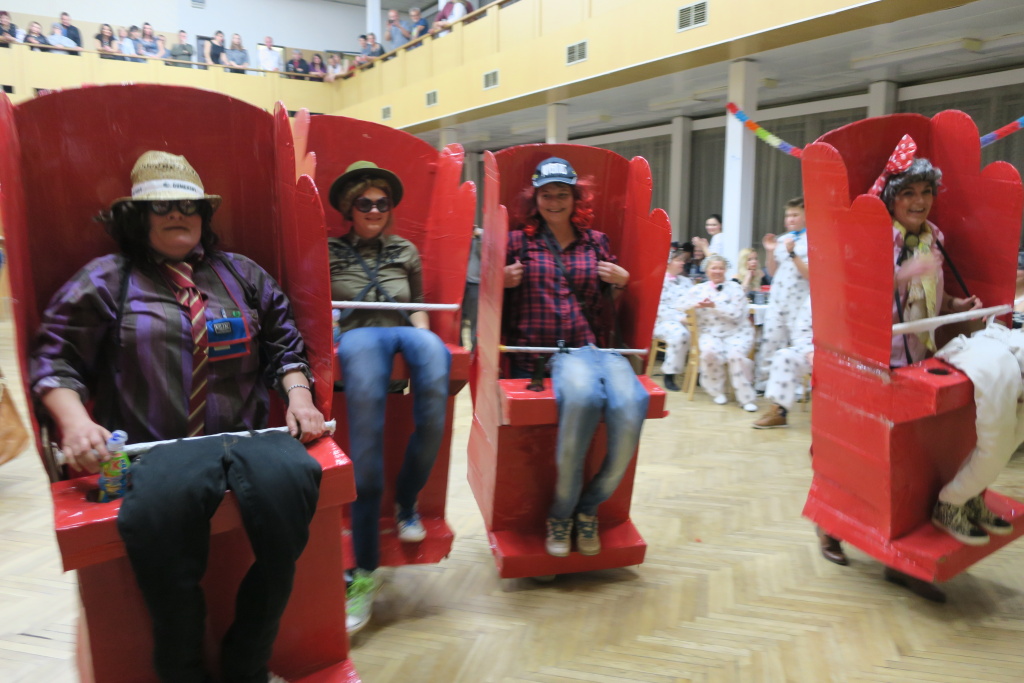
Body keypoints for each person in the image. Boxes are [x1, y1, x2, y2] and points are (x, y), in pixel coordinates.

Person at [30, 150, 327, 682]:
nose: (176, 214)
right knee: (158, 527)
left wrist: (300, 398)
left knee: (295, 487)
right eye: (160, 205)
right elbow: (56, 358)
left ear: (203, 215)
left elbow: (286, 345)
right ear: (138, 218)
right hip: (157, 447)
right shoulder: (107, 279)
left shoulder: (242, 275)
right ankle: (182, 672)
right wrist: (73, 420)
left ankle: (247, 666)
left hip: (248, 435)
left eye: (188, 205)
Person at [327, 161, 451, 634]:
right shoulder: (331, 251)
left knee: (434, 387)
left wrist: (427, 342)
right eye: (365, 203)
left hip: (403, 330)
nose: (375, 210)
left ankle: (406, 502)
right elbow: (320, 307)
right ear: (350, 208)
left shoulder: (405, 250)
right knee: (367, 444)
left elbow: (416, 305)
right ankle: (364, 569)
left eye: (382, 203)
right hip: (357, 336)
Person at [502, 157, 648, 559]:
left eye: (562, 194)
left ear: (575, 198)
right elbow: (487, 301)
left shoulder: (596, 241)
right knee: (583, 398)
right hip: (544, 352)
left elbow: (608, 302)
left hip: (593, 347)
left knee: (633, 402)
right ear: (535, 199)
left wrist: (622, 282)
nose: (554, 201)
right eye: (546, 194)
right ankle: (561, 514)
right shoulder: (517, 243)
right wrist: (501, 280)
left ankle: (589, 506)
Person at [683, 255, 758, 411]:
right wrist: (693, 306)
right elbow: (680, 307)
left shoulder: (735, 288)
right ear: (707, 270)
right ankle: (716, 390)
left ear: (725, 270)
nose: (717, 271)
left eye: (721, 268)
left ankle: (746, 398)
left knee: (736, 356)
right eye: (714, 268)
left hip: (737, 332)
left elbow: (736, 314)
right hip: (710, 333)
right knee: (709, 352)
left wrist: (715, 305)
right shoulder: (698, 290)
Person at [755, 197, 810, 390]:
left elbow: (810, 274)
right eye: (788, 215)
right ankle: (763, 382)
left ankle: (798, 387)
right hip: (778, 299)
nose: (790, 219)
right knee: (770, 340)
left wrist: (793, 253)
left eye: (795, 215)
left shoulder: (813, 240)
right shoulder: (781, 239)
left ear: (806, 216)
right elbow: (772, 272)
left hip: (800, 302)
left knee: (798, 343)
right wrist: (770, 251)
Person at [752, 294, 811, 429]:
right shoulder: (815, 297)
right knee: (784, 356)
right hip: (815, 350)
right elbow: (802, 330)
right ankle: (779, 411)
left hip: (849, 356)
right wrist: (809, 352)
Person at [653, 250, 693, 391]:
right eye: (678, 260)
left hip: (687, 320)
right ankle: (670, 374)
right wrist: (679, 318)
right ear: (668, 263)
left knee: (704, 332)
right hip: (663, 321)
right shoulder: (658, 281)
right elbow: (658, 308)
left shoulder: (687, 282)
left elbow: (693, 301)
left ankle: (699, 374)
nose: (682, 263)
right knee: (680, 334)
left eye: (683, 260)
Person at [462, 226, 482, 349]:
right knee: (458, 318)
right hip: (461, 282)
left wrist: (478, 237)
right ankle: (459, 346)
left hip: (476, 283)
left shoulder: (482, 234)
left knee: (473, 319)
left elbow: (485, 255)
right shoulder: (460, 235)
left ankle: (472, 350)